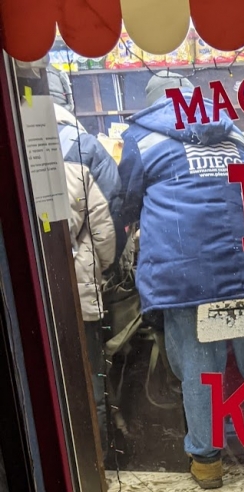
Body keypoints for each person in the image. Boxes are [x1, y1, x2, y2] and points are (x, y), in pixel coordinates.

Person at [115, 71, 244, 489]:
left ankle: (206, 463)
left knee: (201, 367)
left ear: (152, 101)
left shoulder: (141, 138)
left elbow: (125, 203)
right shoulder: (231, 130)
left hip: (188, 276)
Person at [48, 66, 120, 454]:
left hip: (35, 297)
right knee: (90, 376)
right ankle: (97, 458)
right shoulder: (84, 147)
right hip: (80, 292)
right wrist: (100, 270)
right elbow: (108, 221)